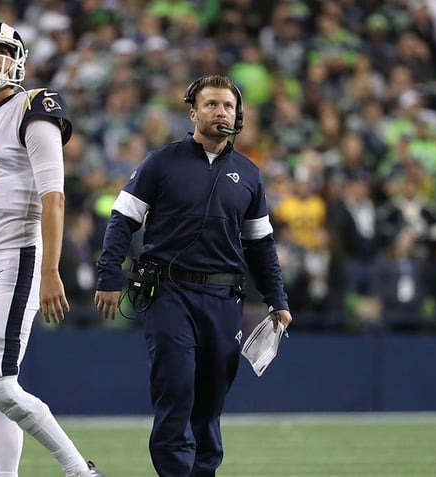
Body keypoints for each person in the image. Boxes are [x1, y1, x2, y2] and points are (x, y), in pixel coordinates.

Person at [95, 74, 293, 476]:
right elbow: (122, 220)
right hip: (169, 293)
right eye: (211, 105)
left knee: (210, 400)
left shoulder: (250, 175)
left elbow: (261, 246)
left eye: (228, 106)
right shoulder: (160, 161)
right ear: (193, 112)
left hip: (224, 299)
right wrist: (108, 276)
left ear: (238, 115)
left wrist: (278, 300)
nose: (220, 112)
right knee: (177, 389)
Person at [0, 21, 104, 477]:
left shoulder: (34, 107)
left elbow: (55, 195)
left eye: (2, 52)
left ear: (18, 61)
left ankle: (78, 470)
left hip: (17, 256)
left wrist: (50, 270)